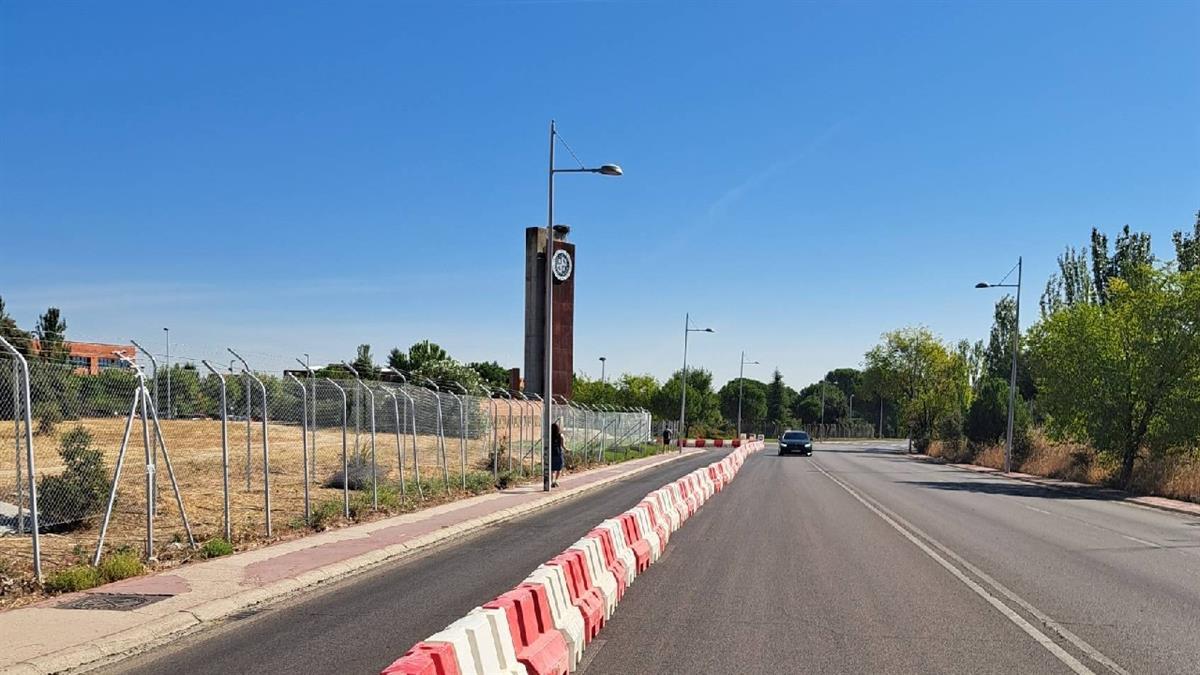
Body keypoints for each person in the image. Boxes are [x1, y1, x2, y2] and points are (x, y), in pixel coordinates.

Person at [550, 419, 565, 487]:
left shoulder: (549, 436)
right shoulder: (560, 436)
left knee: (552, 469)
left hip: (551, 453)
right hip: (558, 453)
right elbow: (563, 446)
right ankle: (556, 481)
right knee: (559, 468)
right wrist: (567, 449)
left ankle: (552, 481)